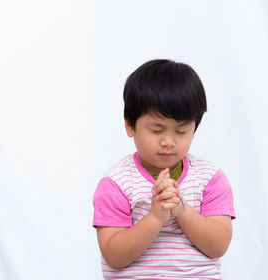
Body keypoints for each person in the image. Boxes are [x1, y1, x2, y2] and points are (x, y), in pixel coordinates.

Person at [92, 59, 236, 279]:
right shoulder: (117, 183)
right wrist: (155, 218)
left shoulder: (210, 178)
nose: (168, 141)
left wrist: (182, 210)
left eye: (181, 131)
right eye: (156, 130)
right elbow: (114, 256)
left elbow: (218, 246)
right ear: (130, 125)